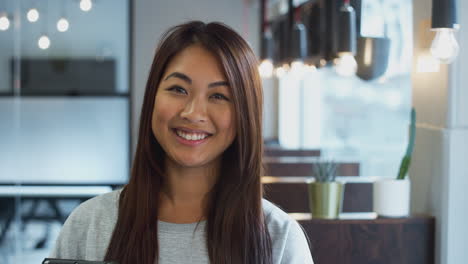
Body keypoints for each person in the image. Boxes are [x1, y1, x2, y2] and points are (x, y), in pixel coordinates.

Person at [49, 21, 314, 264]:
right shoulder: (89, 224)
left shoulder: (279, 238)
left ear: (245, 114)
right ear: (153, 95)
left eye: (219, 96)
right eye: (178, 89)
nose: (192, 113)